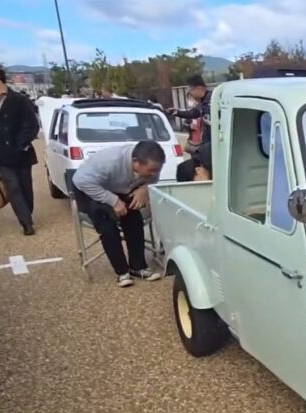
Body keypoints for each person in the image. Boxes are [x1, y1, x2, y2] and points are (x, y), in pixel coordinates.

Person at [71, 141, 166, 287]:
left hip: (120, 189)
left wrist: (145, 189)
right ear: (135, 162)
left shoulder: (151, 166)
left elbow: (153, 180)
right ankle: (122, 272)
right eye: (151, 170)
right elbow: (80, 180)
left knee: (134, 219)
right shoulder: (110, 162)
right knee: (107, 224)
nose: (154, 174)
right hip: (90, 189)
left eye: (157, 170)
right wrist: (113, 201)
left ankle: (137, 266)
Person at [0, 59, 39, 235]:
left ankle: (28, 213)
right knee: (13, 187)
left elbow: (32, 125)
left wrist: (22, 143)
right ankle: (26, 222)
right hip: (0, 155)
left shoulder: (19, 100)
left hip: (21, 153)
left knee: (26, 186)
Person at [167, 75, 214, 143]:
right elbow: (193, 113)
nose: (191, 94)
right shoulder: (202, 102)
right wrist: (177, 112)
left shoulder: (212, 101)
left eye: (191, 90)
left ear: (199, 88)